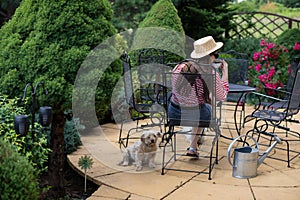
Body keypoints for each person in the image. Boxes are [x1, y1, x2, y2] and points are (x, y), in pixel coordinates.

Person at [168, 36, 229, 157]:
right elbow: (222, 96)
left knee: (198, 105)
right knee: (205, 108)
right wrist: (225, 72)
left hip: (174, 113)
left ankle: (194, 145)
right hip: (198, 116)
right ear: (209, 56)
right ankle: (192, 146)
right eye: (215, 55)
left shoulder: (178, 67)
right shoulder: (210, 73)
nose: (216, 58)